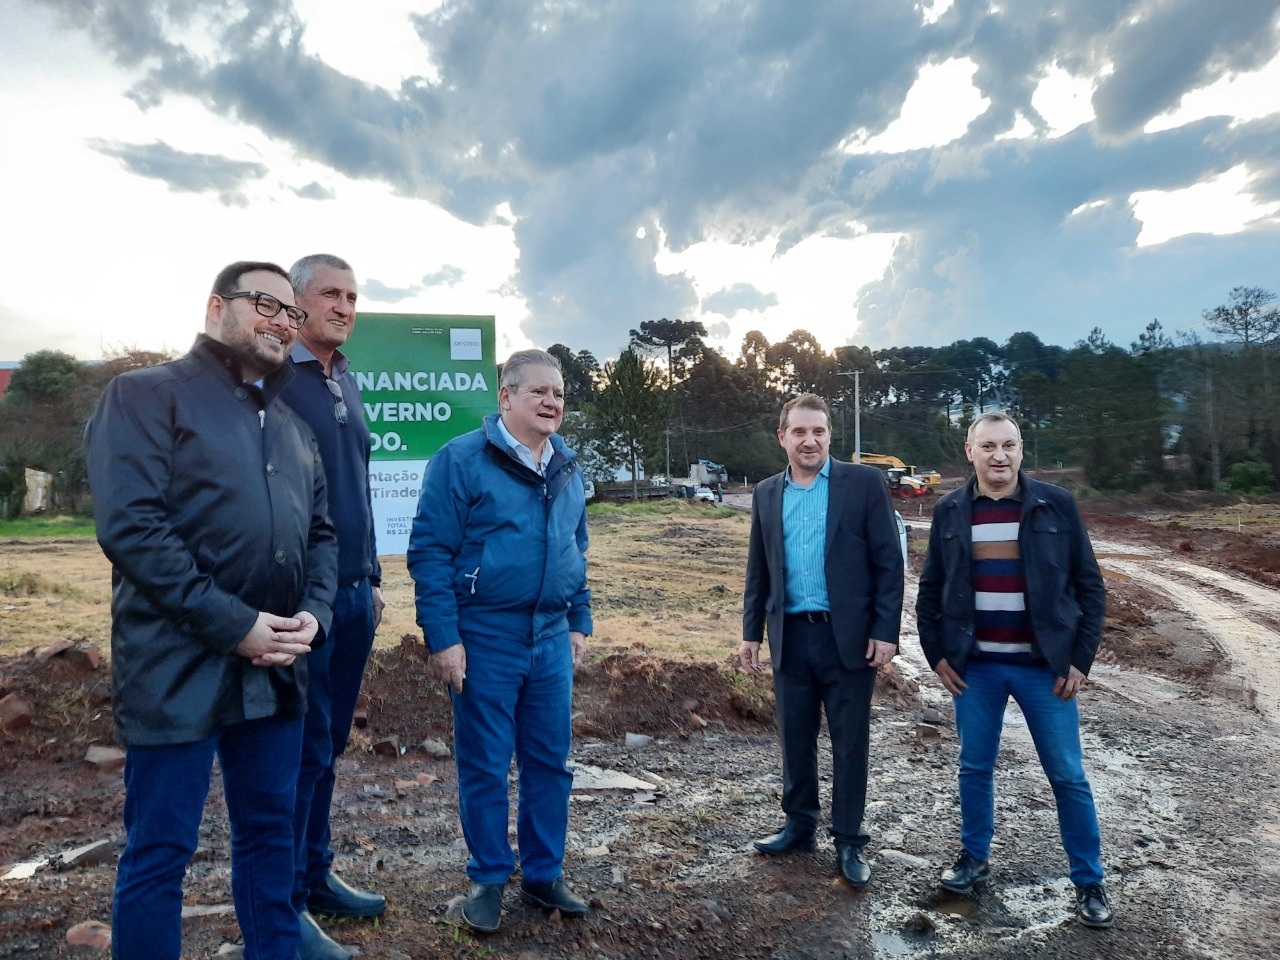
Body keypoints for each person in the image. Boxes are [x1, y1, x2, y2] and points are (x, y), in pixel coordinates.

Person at [84, 261, 338, 960]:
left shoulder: (293, 428)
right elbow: (132, 528)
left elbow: (321, 535)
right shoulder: (142, 396)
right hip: (176, 667)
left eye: (292, 313)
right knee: (161, 848)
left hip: (279, 666)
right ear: (214, 307)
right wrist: (237, 627)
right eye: (266, 303)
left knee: (270, 834)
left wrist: (315, 612)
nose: (282, 321)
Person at [407, 349, 592, 933]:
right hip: (484, 636)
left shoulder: (566, 465)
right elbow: (430, 553)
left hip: (549, 637)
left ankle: (543, 875)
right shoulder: (460, 460)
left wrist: (578, 619)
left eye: (558, 393)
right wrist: (444, 637)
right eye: (537, 391)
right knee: (486, 763)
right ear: (505, 397)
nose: (551, 401)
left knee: (549, 762)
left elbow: (575, 548)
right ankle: (489, 877)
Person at [915, 411, 1113, 929]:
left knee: (1067, 776)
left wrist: (1079, 659)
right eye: (988, 447)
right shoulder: (950, 510)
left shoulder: (1056, 505)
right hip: (975, 669)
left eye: (1008, 446)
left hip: (1044, 670)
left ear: (1021, 450)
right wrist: (936, 655)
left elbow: (1090, 588)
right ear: (970, 451)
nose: (998, 456)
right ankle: (973, 860)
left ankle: (1089, 882)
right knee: (974, 768)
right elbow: (931, 588)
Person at [739, 393, 904, 888]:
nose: (809, 441)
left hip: (847, 639)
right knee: (794, 737)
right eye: (799, 432)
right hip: (791, 637)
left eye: (819, 432)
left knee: (850, 742)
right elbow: (758, 567)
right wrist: (751, 633)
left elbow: (888, 564)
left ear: (830, 436)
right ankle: (799, 825)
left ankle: (849, 840)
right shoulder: (767, 493)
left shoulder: (864, 484)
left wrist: (885, 631)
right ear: (782, 437)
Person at [279, 254, 385, 960]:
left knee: (330, 745)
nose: (344, 306)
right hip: (300, 602)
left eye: (352, 295)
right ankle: (281, 904)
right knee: (298, 752)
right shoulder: (272, 379)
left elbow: (358, 489)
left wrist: (372, 580)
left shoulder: (342, 375)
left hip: (356, 597)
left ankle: (315, 878)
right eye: (330, 294)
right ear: (295, 303)